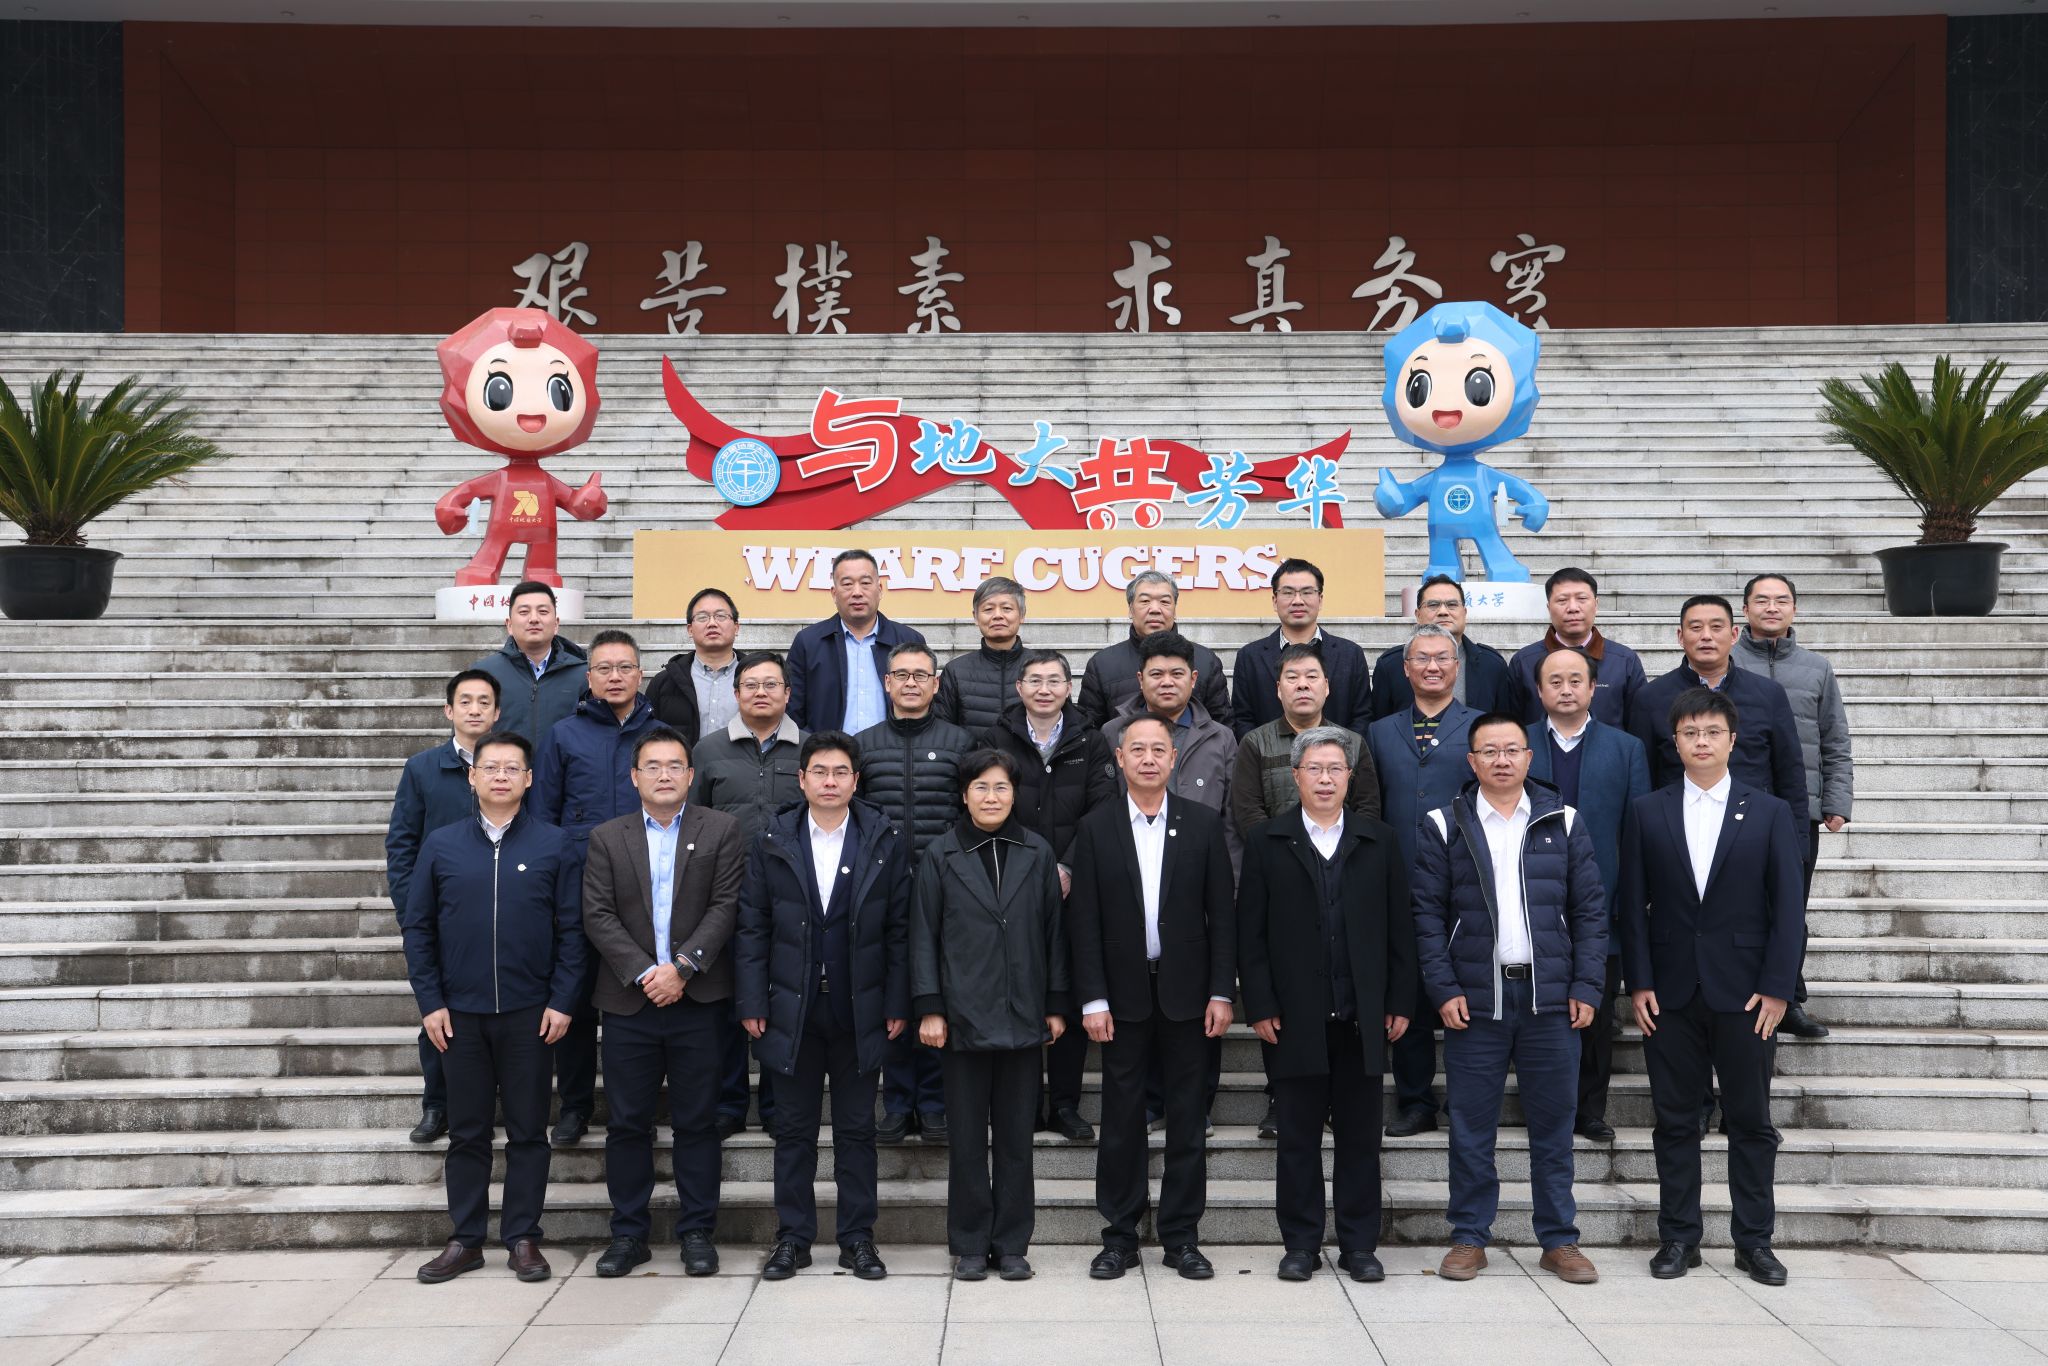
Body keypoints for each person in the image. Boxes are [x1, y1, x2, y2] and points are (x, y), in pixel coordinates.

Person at [1616, 688, 1805, 1287]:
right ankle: (1679, 1238)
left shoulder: (1769, 811)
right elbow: (1631, 907)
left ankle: (1755, 1242)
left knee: (1750, 1121)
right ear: (1675, 743)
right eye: (1690, 733)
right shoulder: (1647, 810)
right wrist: (1639, 982)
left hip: (1748, 995)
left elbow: (1789, 910)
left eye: (1712, 732)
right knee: (1674, 1120)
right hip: (1669, 993)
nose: (1701, 742)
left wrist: (1778, 988)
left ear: (1732, 740)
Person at [1411, 713, 1608, 1286]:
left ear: (1528, 758)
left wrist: (1587, 985)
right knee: (1472, 1126)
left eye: (1512, 749)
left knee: (1554, 1125)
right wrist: (1443, 988)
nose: (1501, 759)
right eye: (1489, 751)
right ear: (1471, 762)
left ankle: (1560, 1240)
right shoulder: (1444, 823)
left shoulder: (1562, 820)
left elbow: (1591, 911)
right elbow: (1426, 916)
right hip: (1476, 1000)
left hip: (1551, 999)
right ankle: (1469, 1236)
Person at [399, 731, 585, 1285]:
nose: (501, 776)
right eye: (491, 767)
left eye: (512, 768)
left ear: (529, 779)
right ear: (472, 777)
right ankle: (466, 1239)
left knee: (529, 1131)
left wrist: (563, 1000)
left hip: (531, 1014)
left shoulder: (555, 844)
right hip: (460, 1015)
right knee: (468, 1132)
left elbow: (573, 931)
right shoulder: (442, 845)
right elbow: (419, 928)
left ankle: (523, 1237)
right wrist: (430, 1002)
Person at [1238, 727, 1415, 1283]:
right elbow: (1251, 935)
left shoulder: (1378, 840)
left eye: (1335, 769)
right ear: (1295, 777)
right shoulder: (1267, 840)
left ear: (1350, 778)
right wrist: (1260, 1004)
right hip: (1294, 1018)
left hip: (1362, 1015)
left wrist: (1399, 1001)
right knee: (1297, 1138)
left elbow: (1400, 929)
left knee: (1361, 1139)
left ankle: (1359, 1245)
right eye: (1314, 769)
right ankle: (1301, 1244)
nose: (1325, 779)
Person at [736, 731, 911, 1283]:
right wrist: (752, 998)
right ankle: (793, 1237)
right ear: (802, 778)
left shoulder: (883, 838)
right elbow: (752, 925)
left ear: (855, 780)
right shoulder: (772, 838)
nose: (829, 782)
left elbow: (901, 928)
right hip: (792, 1007)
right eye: (819, 771)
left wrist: (897, 1001)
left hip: (861, 1009)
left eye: (840, 772)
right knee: (793, 1131)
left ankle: (858, 1238)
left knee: (857, 1130)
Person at [1066, 717, 1236, 1283]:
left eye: (1157, 750)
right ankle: (1119, 1236)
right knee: (1121, 1121)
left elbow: (1222, 915)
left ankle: (1181, 1236)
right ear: (1119, 759)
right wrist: (1092, 998)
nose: (1147, 759)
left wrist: (1221, 990)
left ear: (1173, 758)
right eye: (1136, 749)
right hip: (1121, 997)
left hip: (1189, 995)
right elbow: (1083, 920)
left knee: (1187, 1120)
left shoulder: (1203, 823)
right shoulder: (1095, 827)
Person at [580, 726, 746, 1279]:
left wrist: (683, 967)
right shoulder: (608, 837)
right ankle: (629, 1234)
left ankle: (698, 1231)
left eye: (675, 765)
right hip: (629, 1003)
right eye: (652, 766)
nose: (665, 775)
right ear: (634, 777)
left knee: (698, 1122)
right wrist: (646, 973)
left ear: (691, 774)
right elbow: (597, 914)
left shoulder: (720, 830)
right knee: (628, 1124)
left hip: (698, 1000)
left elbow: (726, 906)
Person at [911, 749, 1070, 1282]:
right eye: (981, 787)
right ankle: (971, 1243)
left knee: (1016, 1139)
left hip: (1023, 1013)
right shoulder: (940, 854)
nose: (991, 797)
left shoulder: (1037, 851)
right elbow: (923, 934)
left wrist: (1056, 1003)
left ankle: (1013, 1243)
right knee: (966, 1140)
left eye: (1001, 787)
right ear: (964, 795)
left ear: (1014, 794)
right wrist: (930, 1007)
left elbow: (1054, 933)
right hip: (961, 1017)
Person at [1228, 640, 1378, 1142]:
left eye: (1312, 676)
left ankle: (1338, 1098)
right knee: (1286, 992)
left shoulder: (1352, 743)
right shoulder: (1255, 743)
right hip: (1282, 882)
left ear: (1328, 686)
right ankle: (1282, 1096)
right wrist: (1284, 857)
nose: (1303, 685)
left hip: (1345, 876)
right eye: (1292, 678)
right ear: (1278, 689)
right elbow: (1247, 810)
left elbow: (1368, 808)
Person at [976, 648, 1118, 1141]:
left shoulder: (1091, 740)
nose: (1044, 689)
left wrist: (1067, 865)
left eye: (1054, 680)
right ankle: (1019, 1104)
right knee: (1014, 991)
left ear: (1068, 688)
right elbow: (989, 805)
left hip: (1076, 886)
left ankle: (1063, 1104)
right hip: (1010, 884)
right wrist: (1031, 868)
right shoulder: (995, 738)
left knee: (1068, 993)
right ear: (1019, 688)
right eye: (1034, 680)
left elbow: (1102, 809)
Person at [531, 627, 659, 1146]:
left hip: (648, 888)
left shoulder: (660, 736)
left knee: (641, 1002)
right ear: (589, 677)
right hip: (580, 887)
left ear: (640, 674)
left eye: (624, 667)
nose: (614, 677)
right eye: (604, 668)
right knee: (577, 1000)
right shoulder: (564, 735)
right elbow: (543, 816)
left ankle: (640, 1108)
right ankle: (575, 1106)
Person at [1526, 647, 1651, 1142]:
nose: (1566, 689)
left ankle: (1589, 1110)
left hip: (1602, 899)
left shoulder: (1625, 748)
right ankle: (1542, 1107)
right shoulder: (1519, 743)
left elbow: (1636, 834)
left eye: (1576, 680)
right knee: (1536, 1011)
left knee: (1595, 1010)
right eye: (1554, 681)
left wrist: (1628, 899)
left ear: (1593, 688)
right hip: (1530, 898)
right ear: (1540, 691)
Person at [856, 642, 975, 1146]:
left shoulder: (961, 743)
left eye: (920, 675)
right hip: (882, 891)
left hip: (944, 888)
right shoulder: (863, 745)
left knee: (937, 994)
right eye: (901, 675)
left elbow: (972, 813)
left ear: (936, 684)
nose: (910, 683)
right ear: (887, 683)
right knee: (895, 996)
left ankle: (934, 1104)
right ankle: (897, 1102)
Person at [1365, 624, 1481, 1137]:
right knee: (1408, 992)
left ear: (1457, 667)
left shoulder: (1481, 727)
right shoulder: (1380, 731)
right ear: (1405, 668)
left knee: (1467, 990)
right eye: (1421, 658)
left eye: (1442, 658)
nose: (1432, 667)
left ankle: (1467, 1098)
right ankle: (1415, 1101)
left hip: (1467, 879)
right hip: (1400, 879)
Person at [688, 650, 806, 1138]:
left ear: (788, 693)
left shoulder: (810, 750)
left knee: (783, 1002)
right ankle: (729, 1102)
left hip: (792, 899)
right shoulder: (708, 750)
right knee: (725, 1002)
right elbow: (692, 822)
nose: (761, 692)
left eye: (771, 684)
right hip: (724, 897)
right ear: (736, 694)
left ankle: (778, 1105)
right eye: (751, 685)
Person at [1731, 572, 1852, 1040]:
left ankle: (1790, 997)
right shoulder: (1727, 663)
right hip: (1737, 807)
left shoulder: (1816, 668)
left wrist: (1835, 800)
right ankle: (1736, 992)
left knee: (1789, 906)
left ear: (1794, 609)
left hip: (1798, 810)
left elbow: (1834, 739)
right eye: (1762, 600)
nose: (1772, 608)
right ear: (1745, 609)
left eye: (1781, 600)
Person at [385, 668, 499, 1144]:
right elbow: (402, 845)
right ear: (449, 710)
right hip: (442, 913)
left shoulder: (510, 764)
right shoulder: (422, 768)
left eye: (484, 702)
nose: (474, 710)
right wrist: (412, 910)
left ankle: (493, 1102)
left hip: (502, 908)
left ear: (497, 712)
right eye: (465, 701)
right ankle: (437, 1104)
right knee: (438, 1009)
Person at [785, 549, 928, 733]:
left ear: (880, 590)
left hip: (892, 749)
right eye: (847, 584)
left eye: (865, 583)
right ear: (834, 593)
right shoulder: (809, 642)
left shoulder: (908, 640)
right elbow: (793, 709)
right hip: (827, 749)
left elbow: (924, 704)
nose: (857, 592)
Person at [1078, 570, 1235, 734]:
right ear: (1130, 610)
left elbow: (1223, 727)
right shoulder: (1102, 664)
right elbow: (1089, 733)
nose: (1155, 609)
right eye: (1145, 601)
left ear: (1175, 610)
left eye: (1164, 602)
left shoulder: (1205, 661)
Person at [1233, 558, 1370, 732]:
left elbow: (1362, 716)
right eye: (1288, 592)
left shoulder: (1350, 654)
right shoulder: (1249, 657)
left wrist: (1336, 749)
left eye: (1307, 592)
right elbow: (1243, 719)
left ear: (1320, 599)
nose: (1298, 601)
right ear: (1275, 601)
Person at [1507, 568, 1647, 730]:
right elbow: (1512, 728)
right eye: (1562, 600)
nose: (1573, 608)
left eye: (1581, 599)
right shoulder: (1524, 662)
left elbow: (1639, 725)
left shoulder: (1624, 661)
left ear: (1596, 604)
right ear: (1548, 607)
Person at [1369, 573, 1517, 721]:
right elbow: (1380, 724)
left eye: (1452, 605)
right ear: (1418, 615)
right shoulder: (1390, 665)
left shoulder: (1492, 664)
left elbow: (1504, 723)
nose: (1443, 612)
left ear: (1464, 613)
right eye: (1433, 605)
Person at [471, 580, 588, 743]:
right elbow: (466, 735)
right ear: (509, 625)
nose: (534, 619)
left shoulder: (584, 675)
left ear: (556, 624)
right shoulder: (483, 674)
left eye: (543, 611)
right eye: (524, 612)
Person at [935, 575, 1031, 734]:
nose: (998, 615)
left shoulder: (1042, 667)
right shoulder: (955, 671)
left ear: (1022, 615)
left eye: (1007, 608)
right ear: (975, 617)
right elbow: (943, 731)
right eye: (988, 609)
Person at [645, 587, 742, 742]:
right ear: (690, 629)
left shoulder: (757, 679)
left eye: (721, 616)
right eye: (702, 617)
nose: (712, 623)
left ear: (736, 627)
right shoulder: (664, 682)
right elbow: (647, 739)